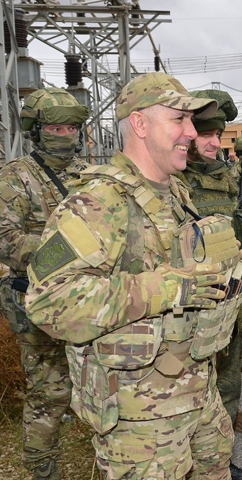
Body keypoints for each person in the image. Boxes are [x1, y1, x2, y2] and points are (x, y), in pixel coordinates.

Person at [26, 72, 242, 480]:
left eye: (192, 121)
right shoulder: (96, 203)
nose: (190, 132)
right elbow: (48, 301)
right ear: (140, 124)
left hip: (198, 392)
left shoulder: (175, 191)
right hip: (140, 420)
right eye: (179, 120)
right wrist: (165, 288)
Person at [0, 87, 89, 480]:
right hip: (35, 301)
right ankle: (43, 470)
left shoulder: (88, 175)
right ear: (37, 130)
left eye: (70, 127)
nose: (63, 134)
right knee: (48, 394)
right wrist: (69, 250)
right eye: (54, 127)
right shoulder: (17, 177)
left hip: (85, 299)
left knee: (94, 383)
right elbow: (5, 238)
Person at [173, 90, 242, 443]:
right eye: (207, 135)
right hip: (193, 299)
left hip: (232, 294)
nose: (214, 143)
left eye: (218, 136)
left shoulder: (228, 178)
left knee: (230, 366)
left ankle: (226, 431)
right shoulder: (176, 183)